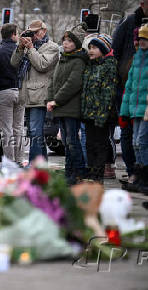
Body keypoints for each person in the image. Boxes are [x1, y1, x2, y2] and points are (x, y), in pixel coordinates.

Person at [11, 20, 59, 163]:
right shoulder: (27, 47)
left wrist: (31, 48)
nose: (35, 35)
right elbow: (13, 63)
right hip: (27, 96)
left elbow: (42, 65)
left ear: (44, 31)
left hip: (40, 95)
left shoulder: (52, 47)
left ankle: (33, 165)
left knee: (35, 132)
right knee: (35, 133)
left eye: (37, 32)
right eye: (32, 32)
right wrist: (20, 47)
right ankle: (41, 164)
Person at [47, 24, 88, 185]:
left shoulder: (78, 60)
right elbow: (53, 81)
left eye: (69, 41)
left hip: (71, 107)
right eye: (64, 40)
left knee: (72, 141)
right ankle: (69, 171)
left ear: (76, 44)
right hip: (60, 108)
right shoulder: (62, 59)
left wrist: (57, 100)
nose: (65, 43)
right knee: (65, 141)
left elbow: (73, 83)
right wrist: (49, 100)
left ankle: (78, 173)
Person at [112, 0, 148, 182]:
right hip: (126, 90)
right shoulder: (130, 21)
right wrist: (116, 80)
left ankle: (142, 175)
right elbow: (115, 50)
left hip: (144, 92)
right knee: (128, 134)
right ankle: (133, 171)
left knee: (142, 136)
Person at [82, 34, 118, 183]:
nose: (91, 50)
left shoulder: (109, 66)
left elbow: (108, 92)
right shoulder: (90, 66)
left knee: (100, 144)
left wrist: (102, 114)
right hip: (89, 113)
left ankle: (98, 175)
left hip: (102, 114)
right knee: (89, 144)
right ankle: (91, 172)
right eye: (89, 47)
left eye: (95, 47)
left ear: (103, 49)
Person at [120, 24, 148, 194]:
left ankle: (145, 179)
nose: (142, 41)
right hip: (135, 109)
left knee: (142, 143)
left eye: (145, 38)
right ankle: (139, 177)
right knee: (136, 143)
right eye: (140, 38)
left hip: (145, 109)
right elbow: (129, 87)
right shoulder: (137, 58)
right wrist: (125, 110)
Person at [0, 23, 24, 165]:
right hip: (20, 91)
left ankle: (9, 162)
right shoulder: (21, 50)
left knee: (6, 130)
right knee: (18, 128)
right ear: (13, 35)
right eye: (17, 33)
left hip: (3, 92)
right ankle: (19, 160)